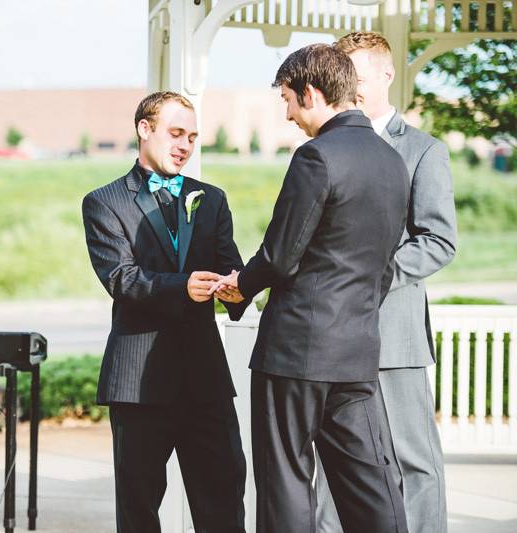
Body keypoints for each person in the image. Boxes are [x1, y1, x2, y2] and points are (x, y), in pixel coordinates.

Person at [214, 44, 410, 532]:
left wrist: (240, 286)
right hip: (358, 350)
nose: (287, 114)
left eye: (288, 99)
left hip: (295, 354)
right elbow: (383, 266)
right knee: (371, 486)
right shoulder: (393, 162)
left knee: (287, 483)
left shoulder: (316, 156)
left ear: (313, 91)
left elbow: (281, 255)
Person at [82, 91, 249, 533]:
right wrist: (185, 287)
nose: (185, 146)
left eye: (193, 137)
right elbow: (121, 278)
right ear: (144, 129)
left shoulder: (210, 198)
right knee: (138, 510)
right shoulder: (104, 202)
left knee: (224, 497)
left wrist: (238, 290)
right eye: (176, 133)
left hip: (205, 379)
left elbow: (230, 263)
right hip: (138, 381)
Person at [314, 32, 457, 533]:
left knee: (414, 460)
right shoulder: (322, 148)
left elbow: (439, 240)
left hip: (394, 335)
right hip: (334, 336)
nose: (349, 83)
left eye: (357, 71)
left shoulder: (423, 150)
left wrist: (376, 273)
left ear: (386, 75)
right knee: (335, 458)